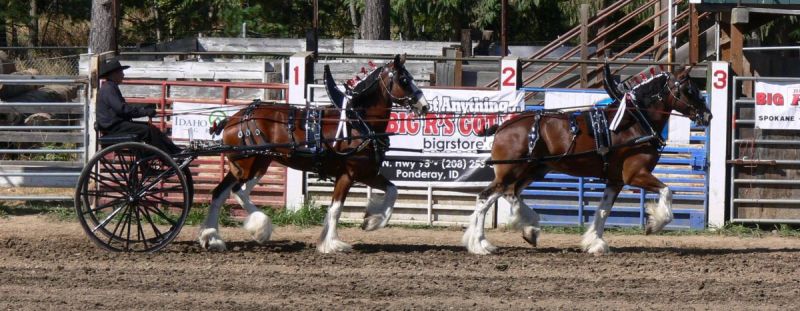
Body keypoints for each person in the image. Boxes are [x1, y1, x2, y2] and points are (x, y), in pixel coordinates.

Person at [96, 58, 182, 155]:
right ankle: (168, 156)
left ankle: (174, 151)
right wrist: (144, 111)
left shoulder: (109, 87)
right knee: (148, 130)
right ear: (113, 74)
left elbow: (123, 109)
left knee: (151, 128)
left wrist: (144, 111)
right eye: (121, 72)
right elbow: (122, 109)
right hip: (113, 126)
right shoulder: (109, 89)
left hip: (114, 125)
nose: (123, 75)